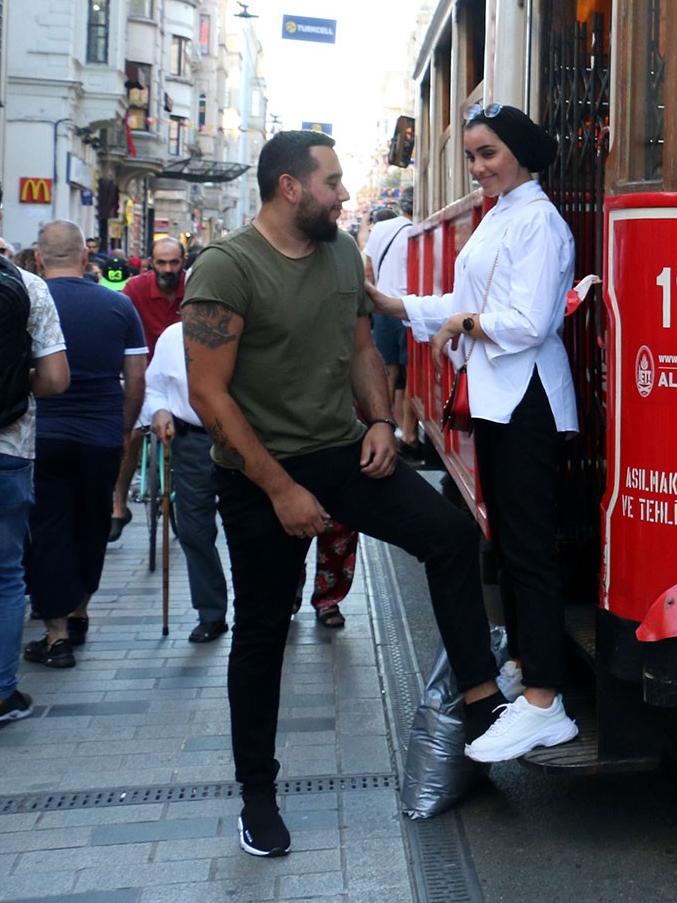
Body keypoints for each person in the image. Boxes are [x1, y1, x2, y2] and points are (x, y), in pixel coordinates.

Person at [184, 130, 502, 858]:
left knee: (452, 537)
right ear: (290, 187)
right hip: (257, 471)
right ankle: (257, 795)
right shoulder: (227, 269)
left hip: (338, 454)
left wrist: (383, 421)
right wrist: (281, 489)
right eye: (331, 182)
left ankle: (482, 706)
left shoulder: (339, 255)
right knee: (264, 629)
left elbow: (361, 347)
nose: (343, 194)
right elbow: (209, 394)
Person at [367, 104, 580, 765]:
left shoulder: (538, 220)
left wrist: (465, 326)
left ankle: (546, 704)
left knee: (529, 547)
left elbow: (527, 323)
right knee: (513, 544)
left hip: (526, 399)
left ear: (517, 152)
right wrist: (394, 305)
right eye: (470, 156)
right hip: (501, 399)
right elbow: (466, 303)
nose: (477, 167)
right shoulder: (506, 214)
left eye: (487, 153)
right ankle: (525, 667)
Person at [22, 221, 146, 668]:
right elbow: (136, 378)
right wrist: (123, 429)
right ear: (84, 256)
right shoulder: (119, 306)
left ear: (39, 258)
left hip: (42, 436)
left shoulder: (28, 302)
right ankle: (79, 610)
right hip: (100, 436)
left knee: (49, 528)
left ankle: (55, 635)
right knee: (91, 523)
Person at [0, 168, 69, 733]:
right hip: (4, 447)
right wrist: (10, 387)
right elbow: (56, 379)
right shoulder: (27, 285)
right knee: (3, 577)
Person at [139, 322, 227, 642]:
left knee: (247, 525)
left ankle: (255, 608)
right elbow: (154, 386)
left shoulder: (246, 329)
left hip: (241, 438)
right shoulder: (173, 335)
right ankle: (211, 612)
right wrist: (160, 410)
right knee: (193, 528)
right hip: (190, 440)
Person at [110, 235, 187, 540]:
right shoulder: (136, 290)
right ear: (150, 263)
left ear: (183, 263)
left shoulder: (193, 288)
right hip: (142, 376)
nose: (168, 269)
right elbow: (117, 330)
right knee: (130, 434)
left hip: (181, 376)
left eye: (174, 262)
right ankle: (118, 505)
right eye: (161, 262)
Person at [363, 192, 420, 458]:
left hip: (384, 307)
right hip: (411, 309)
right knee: (412, 373)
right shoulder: (418, 229)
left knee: (388, 370)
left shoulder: (381, 229)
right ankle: (409, 432)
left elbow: (368, 272)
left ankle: (382, 425)